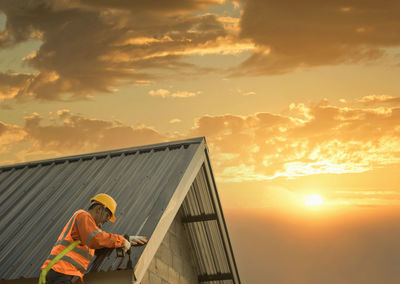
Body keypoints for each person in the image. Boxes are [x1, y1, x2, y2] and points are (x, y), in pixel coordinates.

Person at [40, 193, 147, 284]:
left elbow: (102, 241)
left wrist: (126, 239)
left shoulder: (87, 232)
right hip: (60, 272)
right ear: (99, 209)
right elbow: (97, 239)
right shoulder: (82, 216)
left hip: (61, 273)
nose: (106, 220)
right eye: (107, 216)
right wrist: (121, 240)